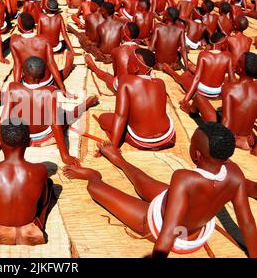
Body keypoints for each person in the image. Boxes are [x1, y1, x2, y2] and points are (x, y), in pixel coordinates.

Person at [64, 123, 257, 258]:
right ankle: (119, 160)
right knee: (143, 180)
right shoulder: (235, 174)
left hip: (159, 226)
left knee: (97, 189)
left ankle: (92, 175)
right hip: (189, 221)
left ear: (196, 155)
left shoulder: (184, 179)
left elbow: (169, 231)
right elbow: (247, 222)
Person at [0, 57, 98, 166]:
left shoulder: (13, 88)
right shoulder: (50, 91)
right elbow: (55, 124)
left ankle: (30, 142)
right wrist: (65, 156)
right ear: (43, 75)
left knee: (10, 117)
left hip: (19, 137)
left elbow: (2, 121)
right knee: (67, 117)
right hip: (43, 136)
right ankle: (85, 104)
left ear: (23, 73)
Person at [95, 48, 176, 150]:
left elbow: (120, 116)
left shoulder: (126, 81)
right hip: (168, 136)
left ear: (135, 68)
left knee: (103, 118)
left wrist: (113, 146)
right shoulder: (160, 82)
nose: (126, 65)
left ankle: (126, 138)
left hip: (142, 141)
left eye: (128, 62)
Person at [164, 32, 235, 122]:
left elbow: (197, 78)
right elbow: (232, 80)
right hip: (217, 92)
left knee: (183, 78)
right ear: (222, 43)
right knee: (195, 74)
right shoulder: (227, 56)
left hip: (202, 92)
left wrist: (186, 99)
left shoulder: (203, 55)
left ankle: (170, 71)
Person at [10, 13, 73, 98]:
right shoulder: (44, 40)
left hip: (27, 85)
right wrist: (62, 88)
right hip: (46, 83)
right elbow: (51, 64)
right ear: (33, 26)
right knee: (65, 70)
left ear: (19, 27)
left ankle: (68, 65)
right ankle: (68, 64)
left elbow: (17, 66)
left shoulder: (14, 41)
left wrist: (17, 88)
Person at [86, 23, 140, 93]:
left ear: (125, 33)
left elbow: (116, 75)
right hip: (138, 88)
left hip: (122, 89)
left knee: (106, 76)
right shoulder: (142, 51)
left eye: (123, 29)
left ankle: (92, 66)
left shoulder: (116, 51)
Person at [221, 52, 257, 154]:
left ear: (240, 69)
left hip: (231, 135)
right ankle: (242, 139)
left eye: (238, 62)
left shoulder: (230, 88)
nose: (235, 63)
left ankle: (236, 141)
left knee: (199, 98)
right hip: (247, 136)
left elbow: (226, 119)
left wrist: (224, 143)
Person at [150, 7, 188, 71]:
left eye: (164, 14)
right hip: (172, 65)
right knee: (179, 55)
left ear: (167, 17)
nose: (163, 15)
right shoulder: (181, 29)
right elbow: (183, 48)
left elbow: (151, 47)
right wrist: (186, 66)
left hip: (159, 64)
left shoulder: (158, 27)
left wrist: (147, 62)